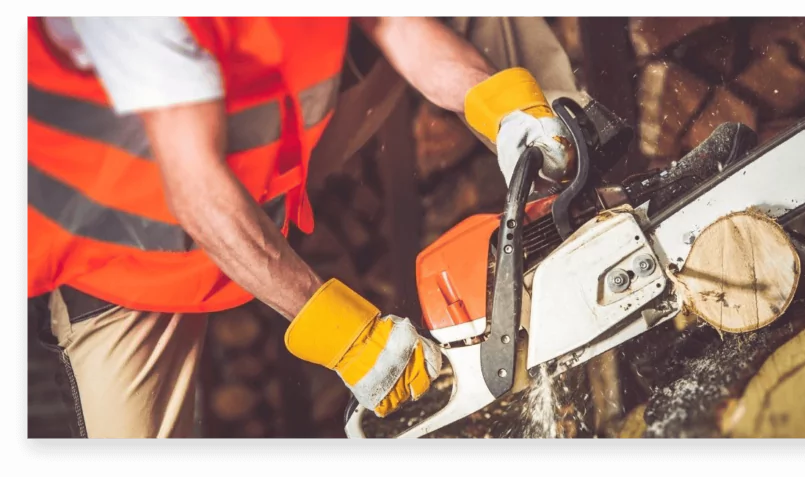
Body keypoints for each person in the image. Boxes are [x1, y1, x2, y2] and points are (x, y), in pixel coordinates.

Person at [26, 16, 578, 438]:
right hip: (129, 251)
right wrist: (349, 339)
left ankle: (575, 176)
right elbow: (196, 192)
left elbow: (395, 25)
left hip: (273, 147)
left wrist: (505, 111)